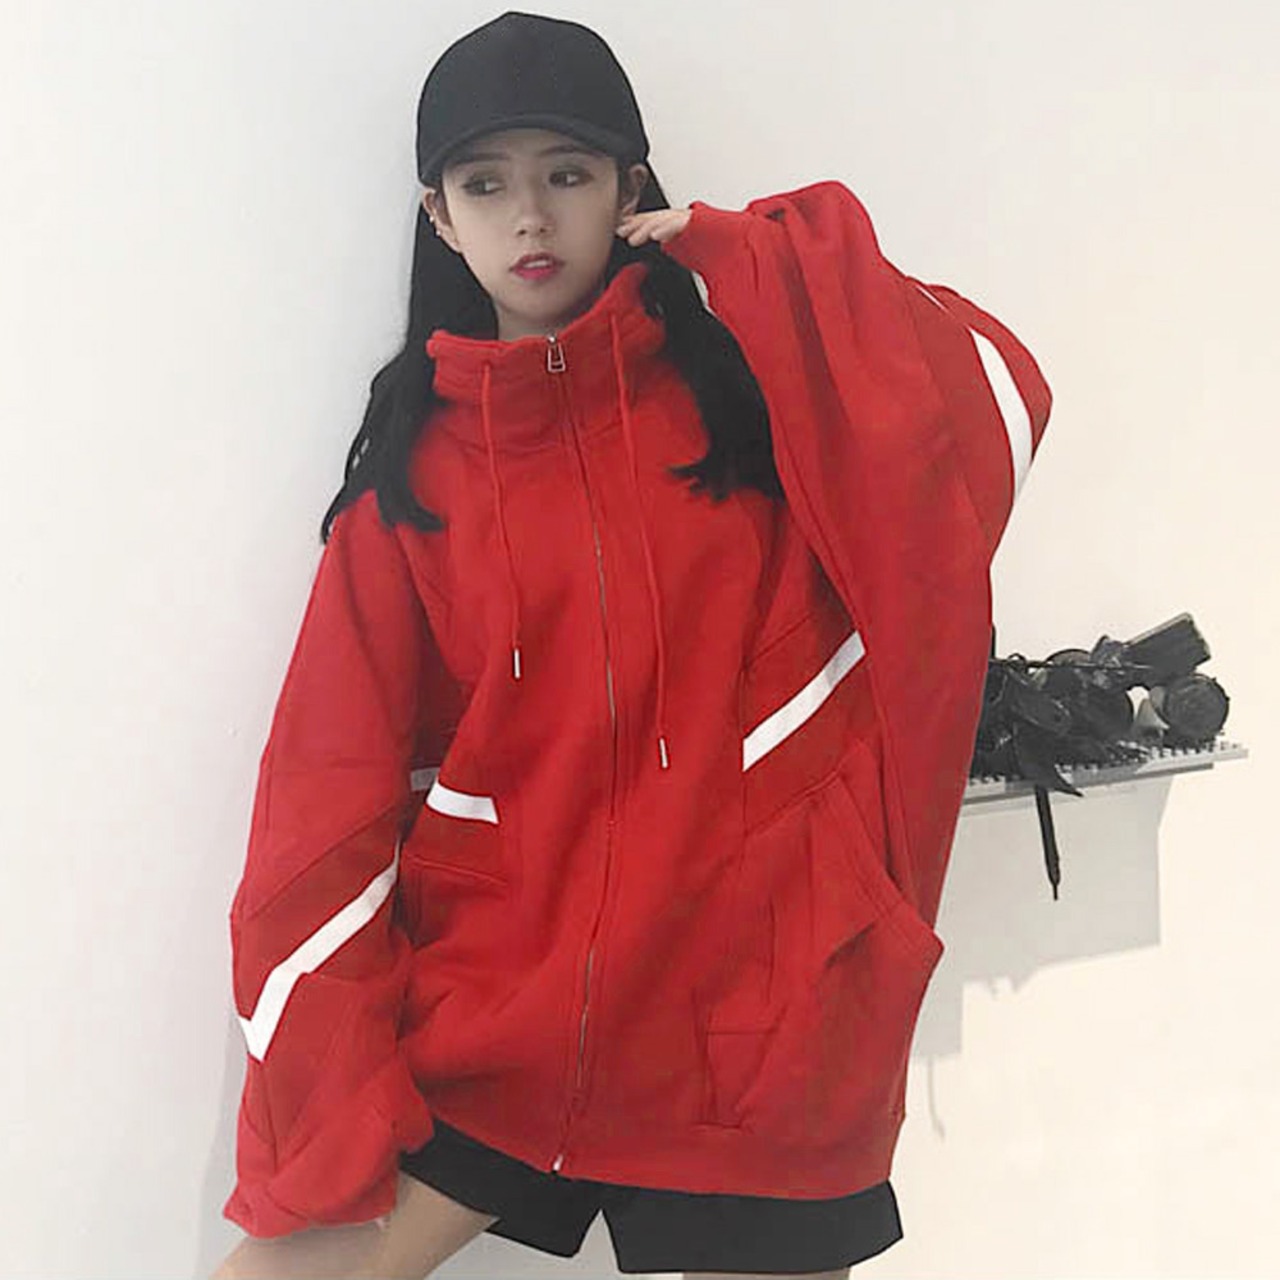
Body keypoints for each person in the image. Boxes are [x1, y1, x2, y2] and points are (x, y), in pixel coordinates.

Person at [211, 10, 1051, 1279]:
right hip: (510, 1019)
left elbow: (973, 407)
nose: (529, 217)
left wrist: (746, 255)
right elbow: (321, 798)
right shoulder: (413, 487)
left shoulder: (754, 409)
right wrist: (329, 1080)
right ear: (438, 217)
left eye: (568, 172)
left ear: (629, 188)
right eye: (484, 184)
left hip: (755, 1022)